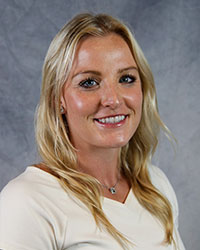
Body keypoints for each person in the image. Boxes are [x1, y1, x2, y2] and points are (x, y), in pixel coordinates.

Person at [0, 13, 185, 250]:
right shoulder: (27, 202)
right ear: (58, 99)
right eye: (89, 82)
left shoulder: (156, 185)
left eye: (126, 78)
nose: (113, 99)